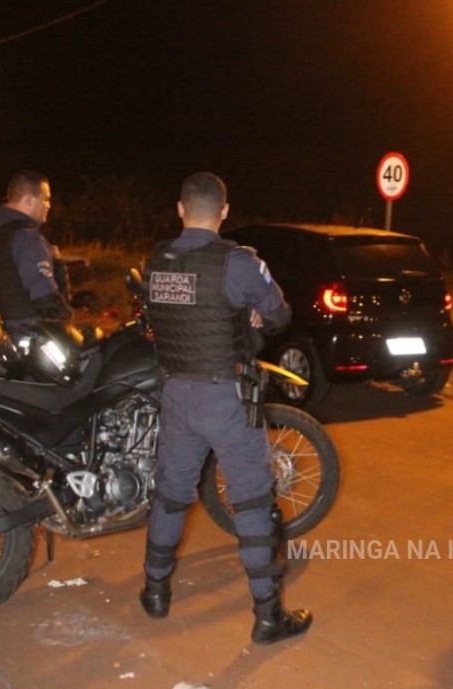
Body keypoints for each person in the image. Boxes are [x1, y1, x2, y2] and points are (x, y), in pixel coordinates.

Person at [138, 171, 311, 644]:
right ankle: (268, 617)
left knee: (172, 493)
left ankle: (155, 592)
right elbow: (278, 314)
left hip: (175, 393)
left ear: (180, 208)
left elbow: (163, 317)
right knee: (252, 498)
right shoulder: (237, 264)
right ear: (225, 211)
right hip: (224, 397)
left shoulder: (156, 259)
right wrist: (251, 314)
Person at [0, 170, 72, 337]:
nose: (48, 205)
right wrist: (67, 326)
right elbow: (46, 299)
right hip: (28, 334)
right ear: (29, 200)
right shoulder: (26, 238)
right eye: (45, 199)